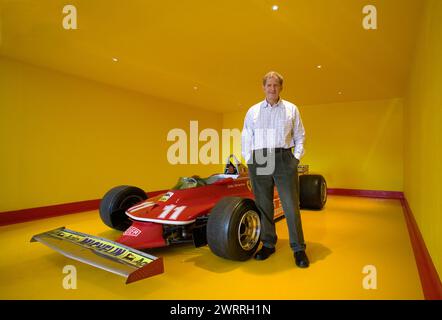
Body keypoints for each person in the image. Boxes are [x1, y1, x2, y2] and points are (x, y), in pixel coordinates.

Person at [241, 71, 309, 268]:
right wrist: (249, 159)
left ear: (281, 88)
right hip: (260, 158)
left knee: (290, 205)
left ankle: (298, 248)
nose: (272, 89)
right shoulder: (253, 111)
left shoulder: (291, 109)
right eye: (269, 85)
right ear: (263, 88)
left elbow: (300, 135)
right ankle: (268, 244)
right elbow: (246, 136)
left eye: (276, 85)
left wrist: (294, 159)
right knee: (264, 205)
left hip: (283, 157)